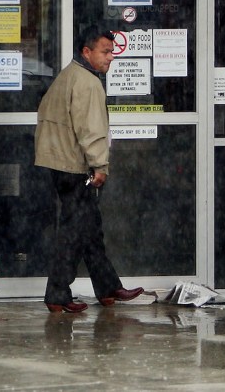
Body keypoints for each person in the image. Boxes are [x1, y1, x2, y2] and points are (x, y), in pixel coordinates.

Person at [35, 25, 143, 313]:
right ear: (87, 51)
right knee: (74, 233)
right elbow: (92, 130)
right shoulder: (88, 83)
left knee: (89, 229)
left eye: (112, 52)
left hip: (59, 163)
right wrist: (99, 165)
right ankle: (57, 293)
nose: (110, 58)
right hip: (75, 167)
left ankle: (108, 287)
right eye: (105, 52)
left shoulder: (67, 75)